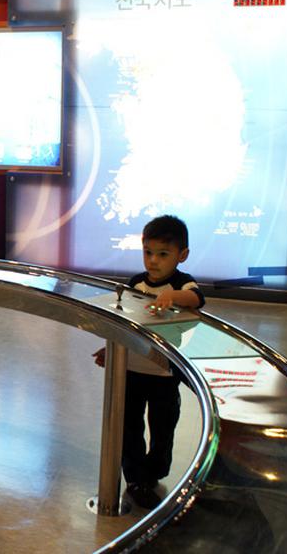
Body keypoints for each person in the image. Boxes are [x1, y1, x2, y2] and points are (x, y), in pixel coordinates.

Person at [91, 214, 205, 509]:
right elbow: (124, 323)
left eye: (163, 254)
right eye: (148, 253)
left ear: (182, 256)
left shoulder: (183, 284)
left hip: (164, 375)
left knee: (163, 425)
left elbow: (195, 298)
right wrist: (110, 350)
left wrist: (173, 296)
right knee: (129, 426)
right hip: (131, 369)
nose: (153, 261)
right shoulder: (135, 284)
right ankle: (136, 479)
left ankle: (155, 470)